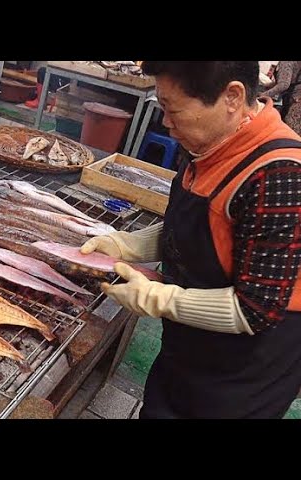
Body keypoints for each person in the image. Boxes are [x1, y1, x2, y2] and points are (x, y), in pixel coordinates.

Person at [81, 61, 301, 419]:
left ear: (232, 97)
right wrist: (129, 245)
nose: (167, 123)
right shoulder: (209, 141)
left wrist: (161, 298)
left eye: (173, 109)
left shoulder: (281, 175)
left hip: (243, 376)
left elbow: (257, 309)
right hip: (189, 346)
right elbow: (197, 227)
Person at [261, 61, 301, 136]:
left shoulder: (286, 62)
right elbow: (286, 80)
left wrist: (263, 95)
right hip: (295, 98)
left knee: (291, 132)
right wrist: (267, 85)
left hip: (297, 100)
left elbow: (284, 85)